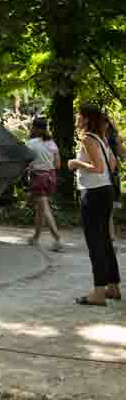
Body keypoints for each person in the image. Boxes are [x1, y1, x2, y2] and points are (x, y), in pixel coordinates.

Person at [68, 103, 121, 306]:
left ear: (86, 119)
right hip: (105, 191)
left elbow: (98, 167)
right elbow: (112, 164)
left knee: (95, 243)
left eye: (78, 115)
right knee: (105, 241)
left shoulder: (89, 139)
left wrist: (76, 163)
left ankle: (98, 293)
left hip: (94, 193)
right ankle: (113, 287)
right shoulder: (102, 138)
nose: (76, 118)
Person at [26, 117, 63, 251]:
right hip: (51, 177)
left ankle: (58, 239)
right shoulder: (52, 143)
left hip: (38, 177)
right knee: (40, 209)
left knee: (45, 208)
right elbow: (58, 165)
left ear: (34, 128)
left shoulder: (30, 143)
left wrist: (34, 166)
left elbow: (27, 163)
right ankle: (35, 238)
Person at [103, 114, 123, 241]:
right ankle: (110, 235)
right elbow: (123, 154)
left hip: (104, 172)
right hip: (114, 172)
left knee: (105, 207)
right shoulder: (116, 137)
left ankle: (109, 235)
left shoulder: (100, 137)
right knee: (109, 207)